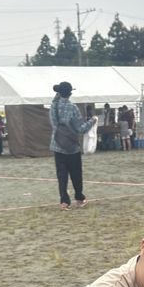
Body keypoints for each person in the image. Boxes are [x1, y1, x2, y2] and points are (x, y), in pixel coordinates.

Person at [49, 81, 95, 210]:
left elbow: (54, 118)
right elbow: (81, 128)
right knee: (76, 174)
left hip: (57, 144)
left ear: (59, 93)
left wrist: (57, 95)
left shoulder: (53, 106)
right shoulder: (73, 107)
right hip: (72, 146)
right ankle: (79, 198)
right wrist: (93, 121)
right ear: (70, 93)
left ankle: (64, 201)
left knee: (62, 175)